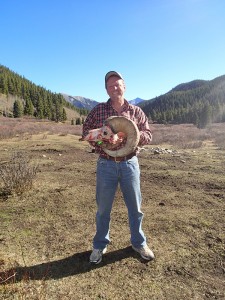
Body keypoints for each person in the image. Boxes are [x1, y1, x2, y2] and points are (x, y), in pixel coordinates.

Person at [82, 71, 155, 264]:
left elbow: (148, 134)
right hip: (106, 164)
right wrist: (101, 141)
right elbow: (86, 132)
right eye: (110, 85)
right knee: (103, 209)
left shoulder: (136, 111)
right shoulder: (98, 111)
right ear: (106, 89)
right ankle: (99, 245)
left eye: (118, 84)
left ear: (124, 86)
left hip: (130, 165)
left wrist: (132, 136)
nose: (115, 87)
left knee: (135, 208)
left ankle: (138, 243)